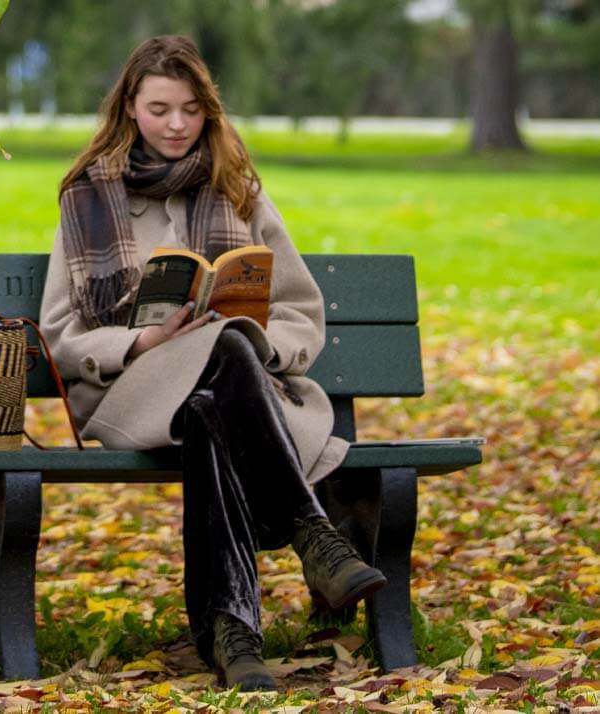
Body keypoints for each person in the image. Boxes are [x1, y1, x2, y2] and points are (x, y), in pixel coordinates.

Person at [39, 35, 386, 692]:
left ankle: (231, 638)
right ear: (129, 111)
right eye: (160, 108)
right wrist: (138, 343)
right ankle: (312, 533)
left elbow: (299, 311)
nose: (176, 125)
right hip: (132, 395)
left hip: (234, 394)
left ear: (210, 112)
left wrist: (262, 342)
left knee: (214, 390)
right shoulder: (87, 199)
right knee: (221, 346)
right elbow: (60, 335)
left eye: (191, 110)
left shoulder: (239, 193)